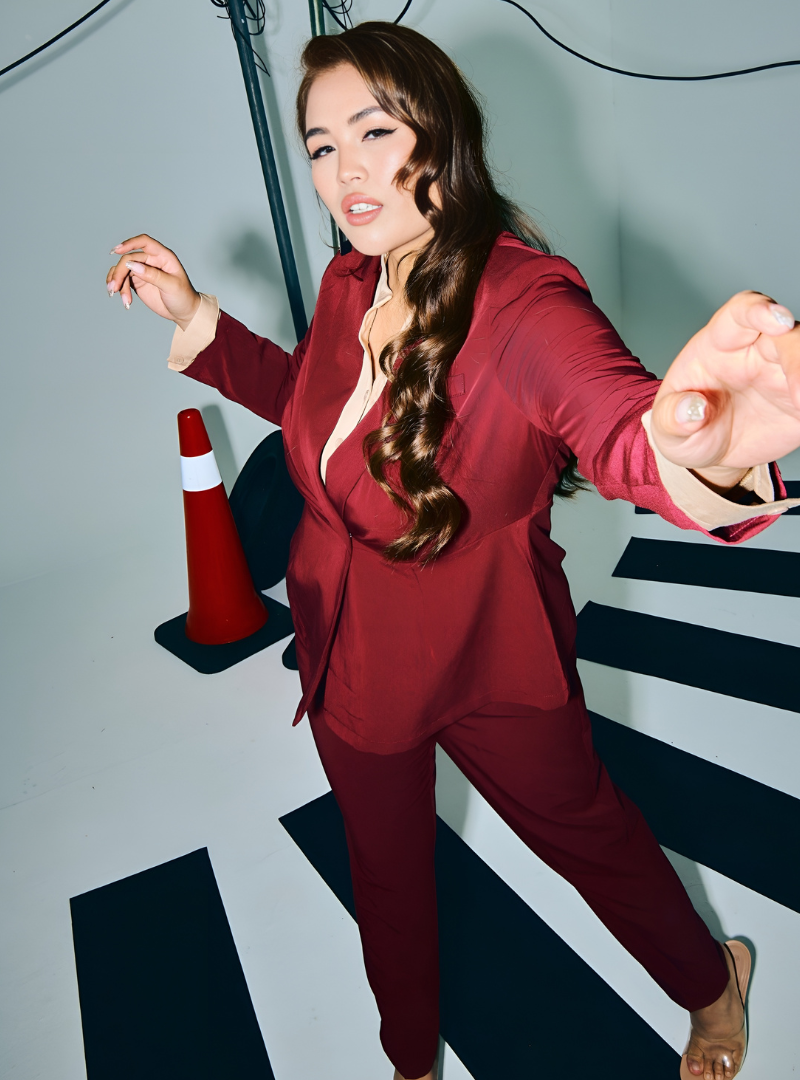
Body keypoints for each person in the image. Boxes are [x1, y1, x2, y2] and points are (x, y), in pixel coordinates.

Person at [105, 22, 800, 1080]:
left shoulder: (528, 304)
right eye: (321, 145)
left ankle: (714, 985)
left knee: (588, 837)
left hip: (490, 661)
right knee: (384, 875)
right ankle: (410, 1064)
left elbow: (616, 428)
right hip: (350, 661)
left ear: (442, 137)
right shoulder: (354, 281)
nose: (344, 170)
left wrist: (684, 444)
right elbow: (311, 409)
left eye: (372, 131)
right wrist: (198, 318)